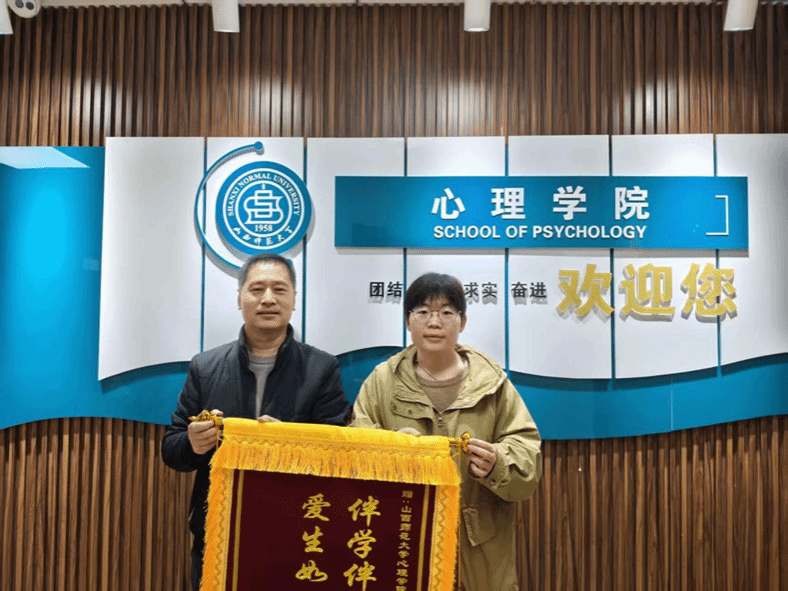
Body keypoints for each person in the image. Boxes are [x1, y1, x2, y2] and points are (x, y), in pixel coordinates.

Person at [161, 253, 351, 591]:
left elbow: (339, 454)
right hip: (219, 532)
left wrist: (288, 445)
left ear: (294, 299)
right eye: (256, 289)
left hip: (296, 533)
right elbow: (171, 450)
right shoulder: (205, 367)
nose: (267, 299)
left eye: (279, 289)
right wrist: (192, 443)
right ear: (239, 299)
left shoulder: (321, 368)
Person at [351, 272, 542, 591]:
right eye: (423, 311)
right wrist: (390, 451)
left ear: (462, 322)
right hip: (403, 537)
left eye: (446, 312)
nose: (434, 322)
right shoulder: (383, 381)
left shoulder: (491, 383)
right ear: (408, 321)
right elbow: (356, 447)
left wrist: (498, 463)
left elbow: (527, 453)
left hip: (480, 547)